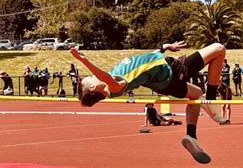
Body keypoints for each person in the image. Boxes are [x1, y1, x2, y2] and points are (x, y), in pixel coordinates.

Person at [70, 41, 227, 164]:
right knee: (218, 49)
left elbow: (144, 61)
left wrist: (165, 47)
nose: (92, 75)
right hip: (171, 71)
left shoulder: (116, 75)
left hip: (164, 80)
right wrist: (85, 61)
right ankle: (212, 99)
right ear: (92, 86)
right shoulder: (115, 86)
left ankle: (191, 136)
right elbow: (107, 78)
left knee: (197, 95)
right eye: (89, 77)